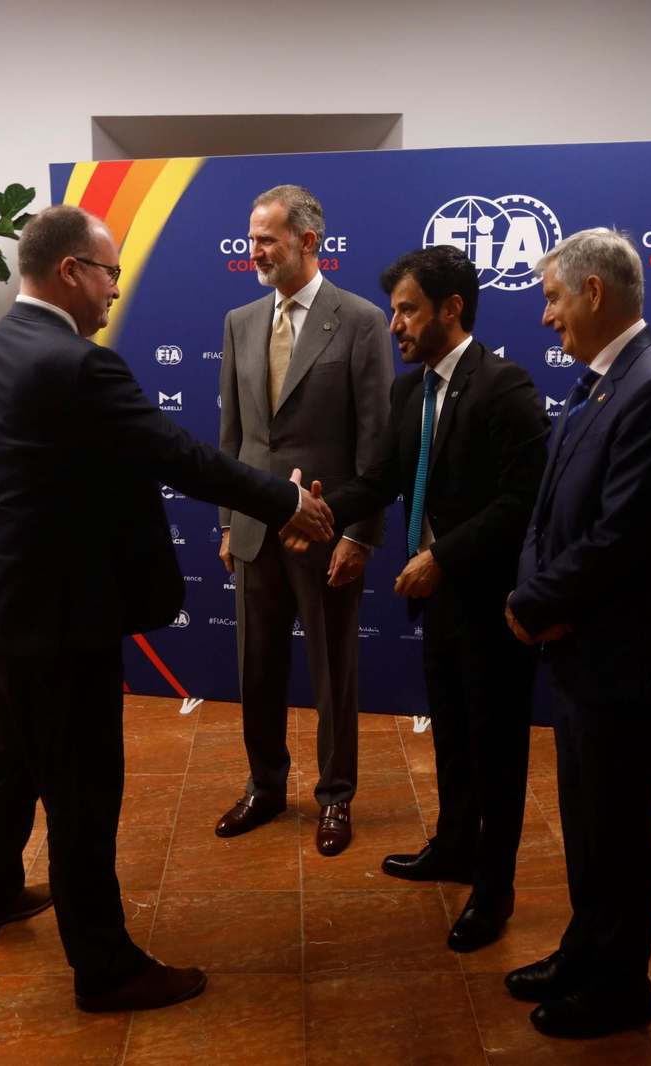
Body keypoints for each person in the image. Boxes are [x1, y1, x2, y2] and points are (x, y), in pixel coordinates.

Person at [0, 204, 334, 1014]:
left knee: (9, 756)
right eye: (109, 273)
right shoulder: (77, 365)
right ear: (69, 273)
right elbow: (177, 456)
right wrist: (282, 500)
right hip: (58, 617)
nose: (116, 291)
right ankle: (106, 967)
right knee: (82, 789)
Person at [503, 229, 651, 1039]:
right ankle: (584, 949)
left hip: (629, 655)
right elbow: (550, 507)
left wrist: (535, 600)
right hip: (582, 648)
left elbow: (625, 535)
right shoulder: (603, 381)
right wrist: (531, 587)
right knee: (589, 822)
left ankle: (621, 986)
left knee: (620, 828)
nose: (548, 317)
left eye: (553, 298)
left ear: (594, 293)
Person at [314, 246, 549, 952]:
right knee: (450, 734)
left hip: (490, 602)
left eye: (408, 309)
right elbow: (383, 478)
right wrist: (319, 510)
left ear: (453, 308)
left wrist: (441, 557)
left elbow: (522, 501)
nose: (395, 325)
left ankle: (495, 889)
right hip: (441, 606)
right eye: (393, 311)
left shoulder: (506, 386)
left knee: (496, 750)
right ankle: (452, 847)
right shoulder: (408, 392)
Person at [214, 185, 393, 857]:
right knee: (255, 671)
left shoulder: (361, 320)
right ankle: (264, 787)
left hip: (327, 535)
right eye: (251, 238)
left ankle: (335, 797)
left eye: (267, 240)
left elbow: (375, 443)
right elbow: (233, 438)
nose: (254, 250)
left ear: (308, 242)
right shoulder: (239, 321)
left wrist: (358, 534)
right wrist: (231, 524)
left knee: (332, 675)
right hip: (257, 533)